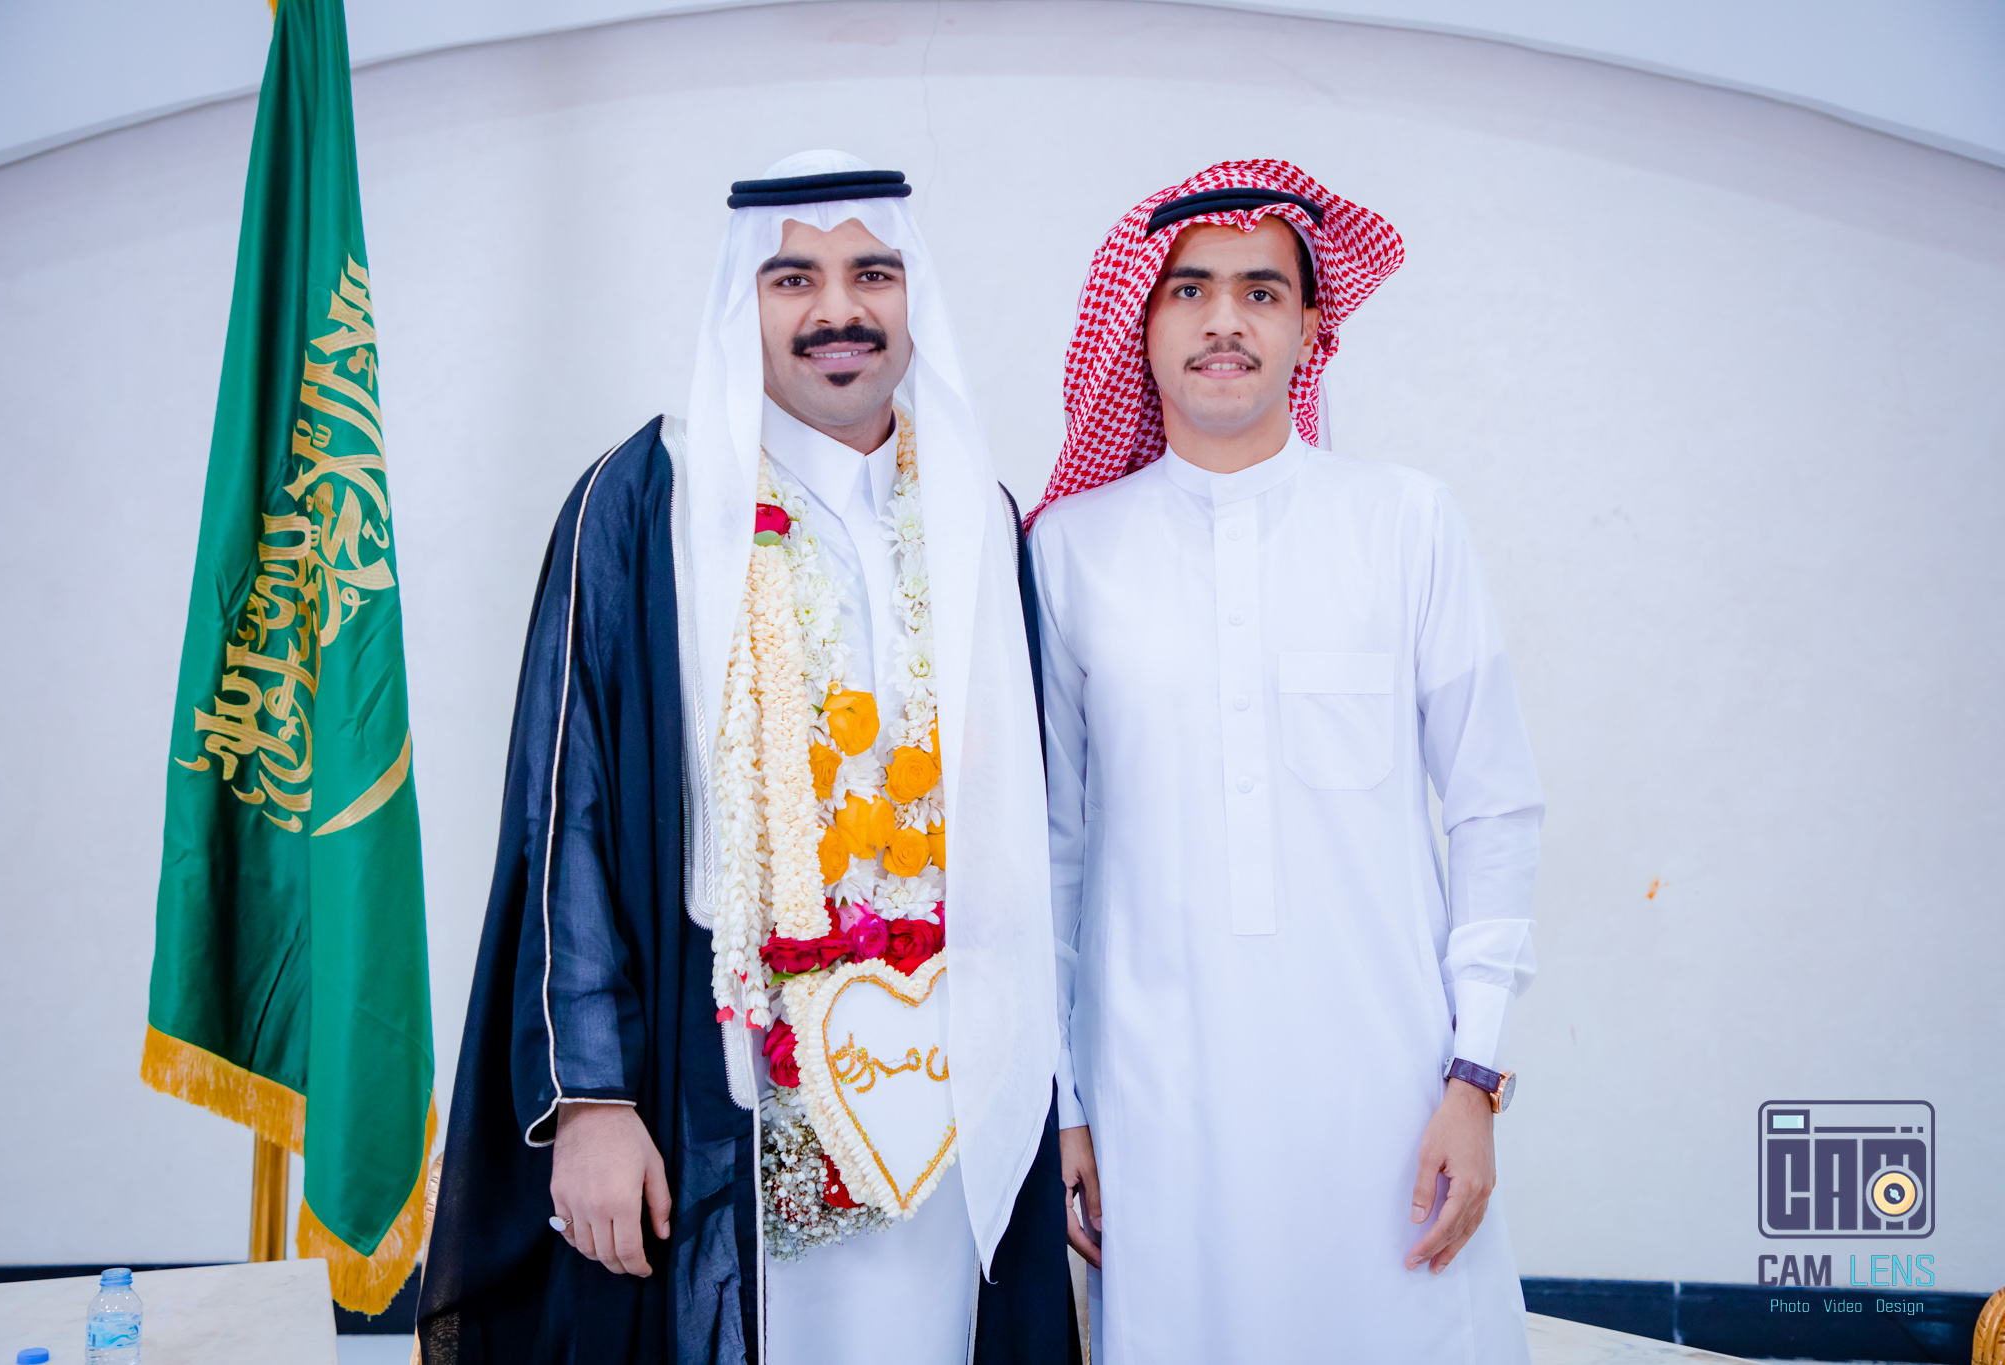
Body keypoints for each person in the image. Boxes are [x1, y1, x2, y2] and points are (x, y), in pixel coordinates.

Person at [416, 150, 1076, 1365]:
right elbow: (567, 811)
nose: (839, 309)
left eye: (871, 273)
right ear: (743, 301)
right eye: (793, 279)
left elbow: (1033, 832)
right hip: (720, 1083)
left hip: (947, 1085)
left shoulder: (976, 515)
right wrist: (590, 1099)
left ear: (912, 295)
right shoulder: (647, 501)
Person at [1030, 160, 1543, 1362]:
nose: (1223, 320)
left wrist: (1473, 1076)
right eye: (1188, 290)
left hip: (1388, 1096)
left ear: (1311, 328)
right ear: (1139, 323)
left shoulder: (1405, 522)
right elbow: (1045, 855)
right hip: (1159, 1098)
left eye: (1259, 292)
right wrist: (1063, 1109)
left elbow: (1493, 809)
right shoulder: (1068, 552)